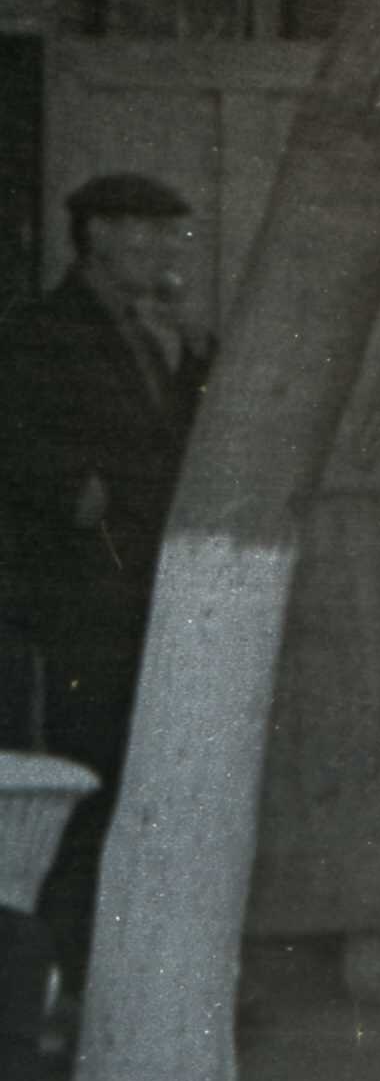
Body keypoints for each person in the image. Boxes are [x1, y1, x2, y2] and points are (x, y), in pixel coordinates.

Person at [0, 171, 209, 1030]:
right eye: (147, 234)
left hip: (141, 593)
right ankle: (55, 992)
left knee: (134, 782)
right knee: (80, 789)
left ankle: (113, 986)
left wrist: (193, 355)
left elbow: (177, 447)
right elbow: (18, 443)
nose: (165, 252)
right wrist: (68, 490)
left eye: (171, 235)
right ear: (98, 238)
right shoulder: (41, 331)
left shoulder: (154, 334)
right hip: (76, 602)